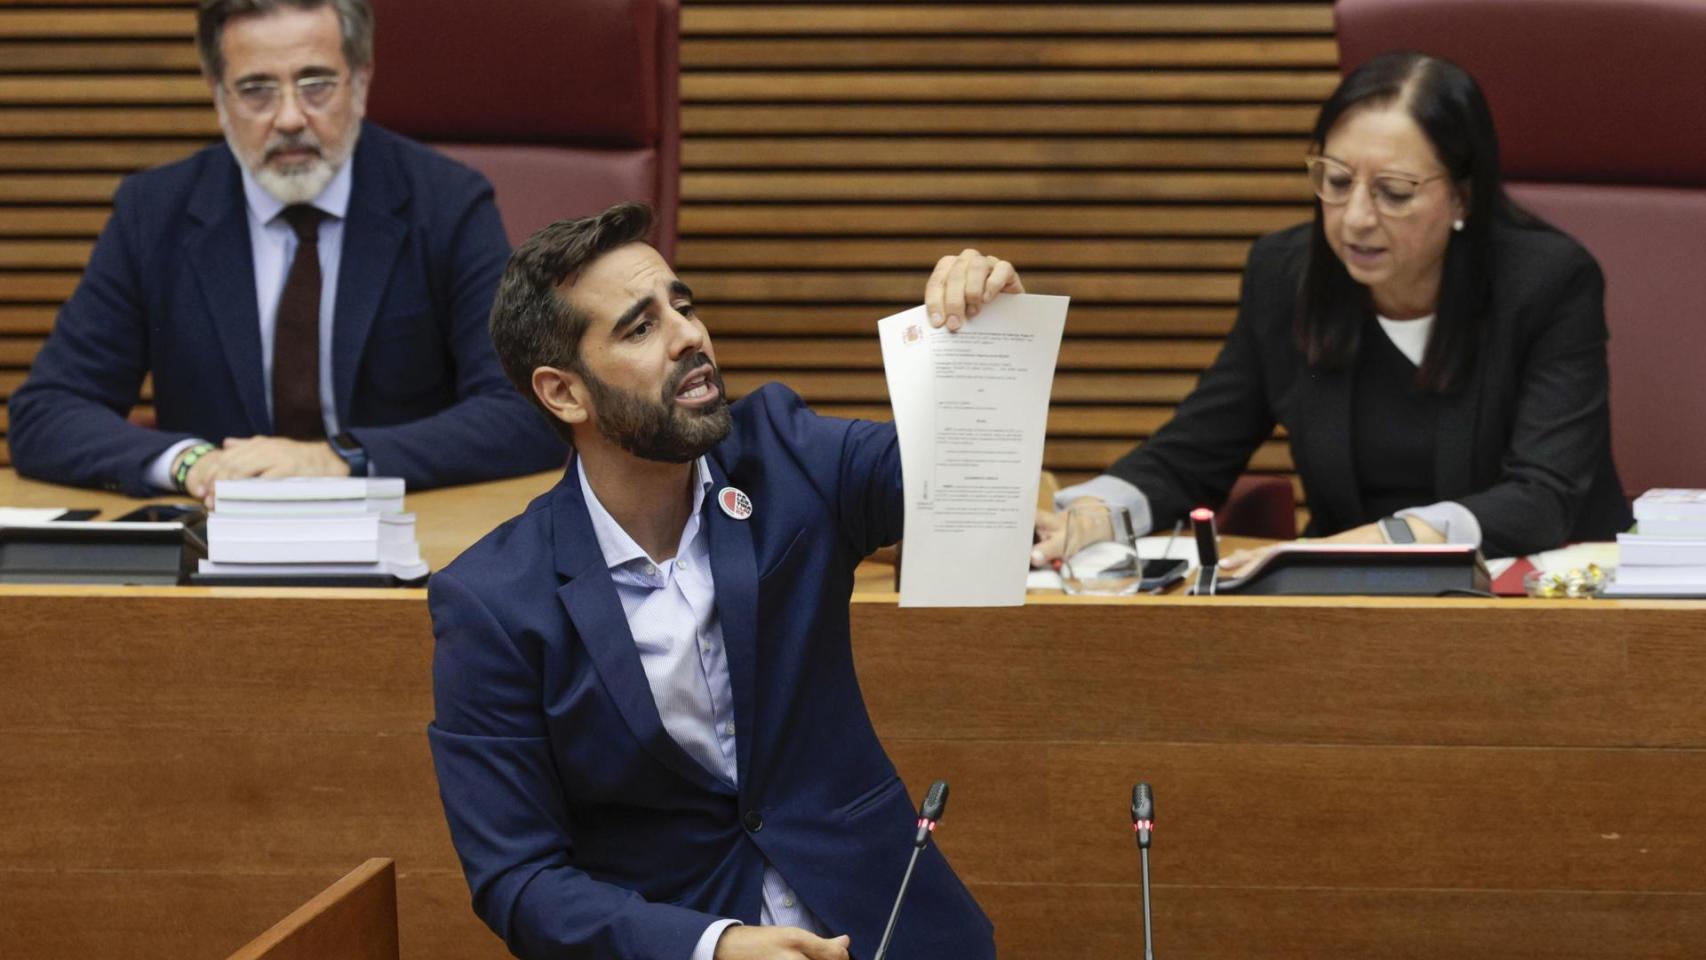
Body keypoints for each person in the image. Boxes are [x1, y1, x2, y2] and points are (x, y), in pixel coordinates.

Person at [427, 202, 1003, 960]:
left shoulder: (787, 456)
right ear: (564, 393)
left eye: (684, 305)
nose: (689, 336)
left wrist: (986, 338)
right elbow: (517, 877)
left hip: (887, 921)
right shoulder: (496, 601)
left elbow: (965, 481)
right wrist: (714, 947)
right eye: (640, 328)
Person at [929, 51, 1631, 565]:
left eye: (1393, 191)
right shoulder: (1287, 275)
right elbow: (1190, 459)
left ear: (1463, 198)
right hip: (1355, 620)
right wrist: (1090, 516)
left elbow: (1542, 498)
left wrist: (1358, 549)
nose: (1355, 218)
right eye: (1334, 180)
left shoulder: (1547, 284)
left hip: (1547, 609)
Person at [7, 0, 565, 501]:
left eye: (316, 83)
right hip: (218, 543)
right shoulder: (155, 213)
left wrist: (337, 459)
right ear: (217, 94)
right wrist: (189, 463)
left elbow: (524, 413)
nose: (291, 117)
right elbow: (46, 413)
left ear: (362, 82)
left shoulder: (446, 204)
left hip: (409, 536)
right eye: (257, 90)